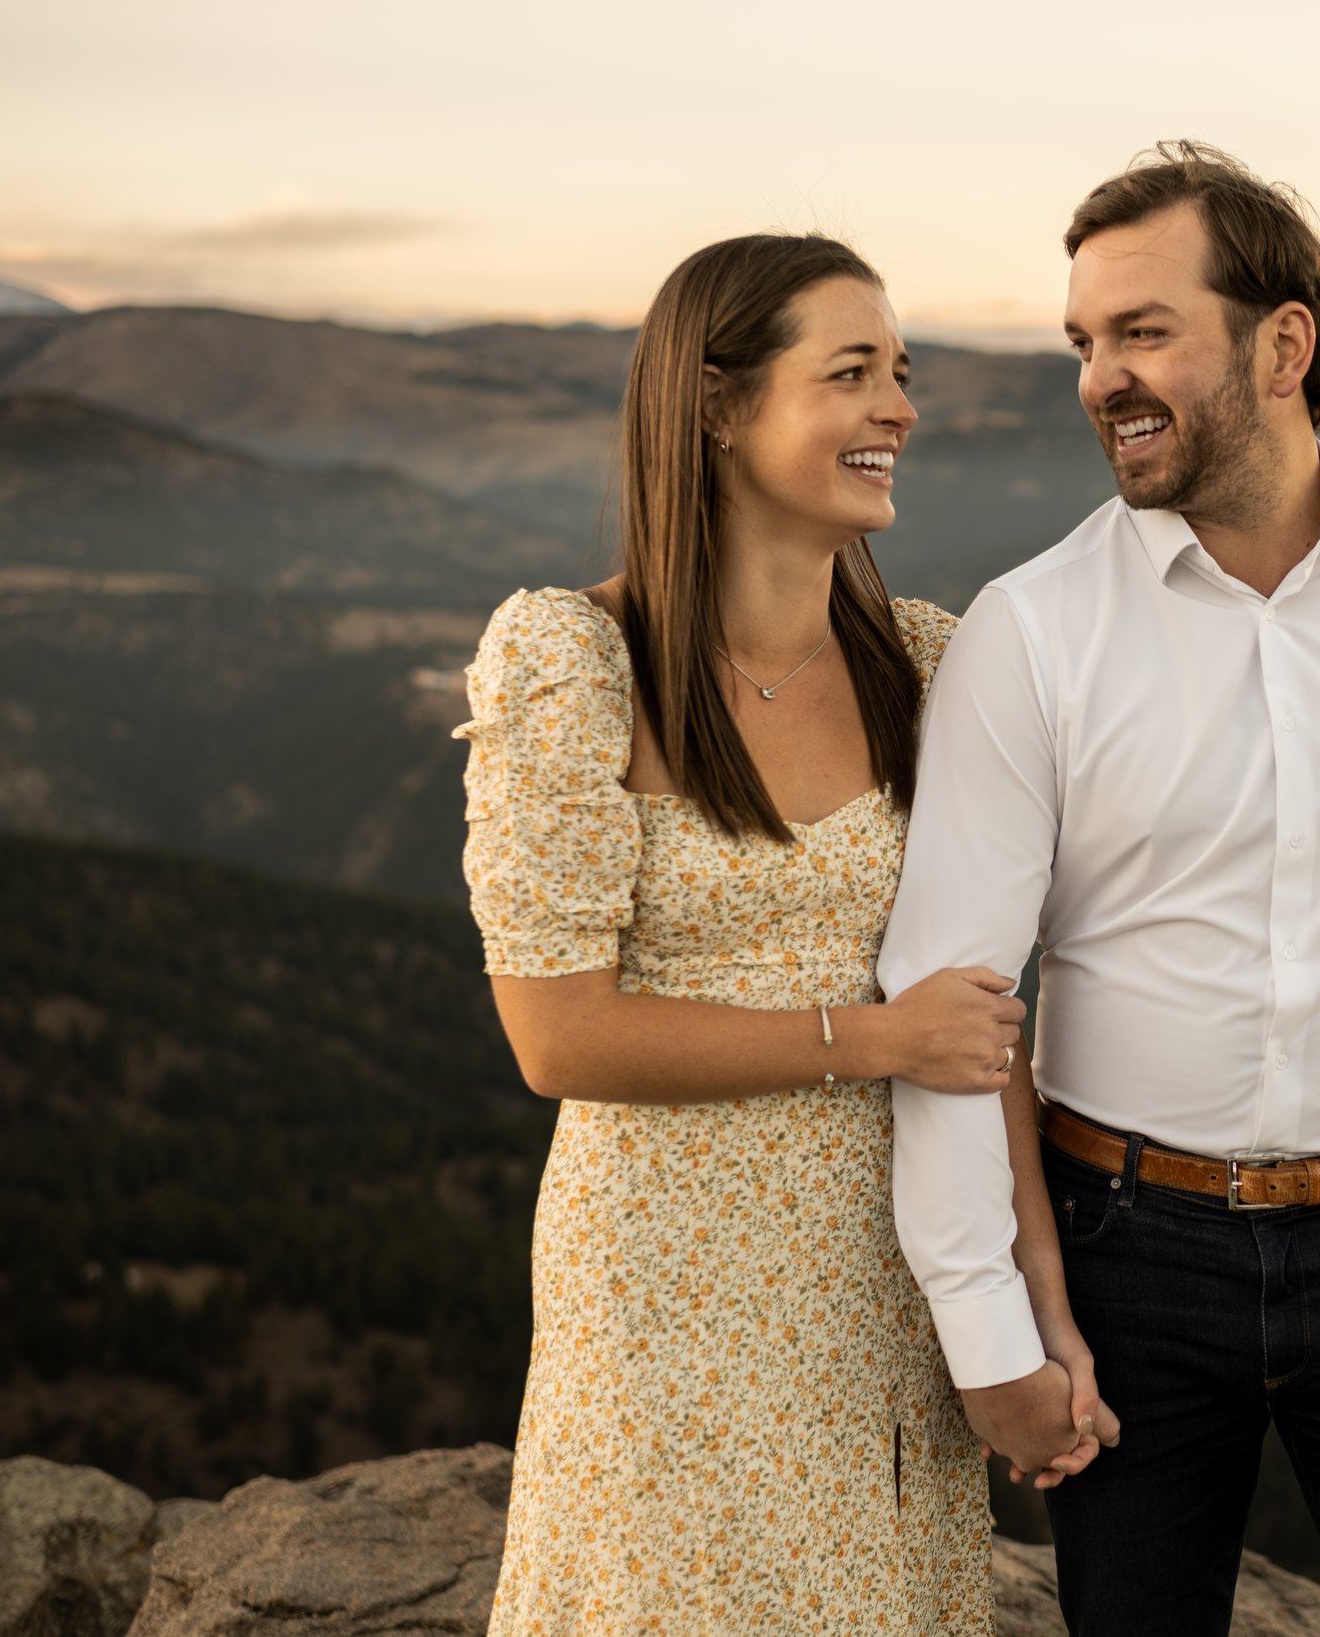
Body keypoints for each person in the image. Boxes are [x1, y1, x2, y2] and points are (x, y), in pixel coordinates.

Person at [878, 143, 1320, 1634]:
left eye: (1143, 331)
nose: (1099, 377)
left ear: (1284, 344)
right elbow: (947, 1004)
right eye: (1083, 342)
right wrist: (990, 1330)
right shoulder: (1032, 632)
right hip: (1125, 1267)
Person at [452, 233, 1102, 1636]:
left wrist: (1037, 1309)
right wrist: (873, 1038)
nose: (901, 410)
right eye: (852, 372)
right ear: (716, 405)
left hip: (887, 1267)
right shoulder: (574, 666)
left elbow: (987, 1032)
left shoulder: (926, 670)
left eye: (902, 374)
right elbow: (554, 1035)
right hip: (665, 1279)